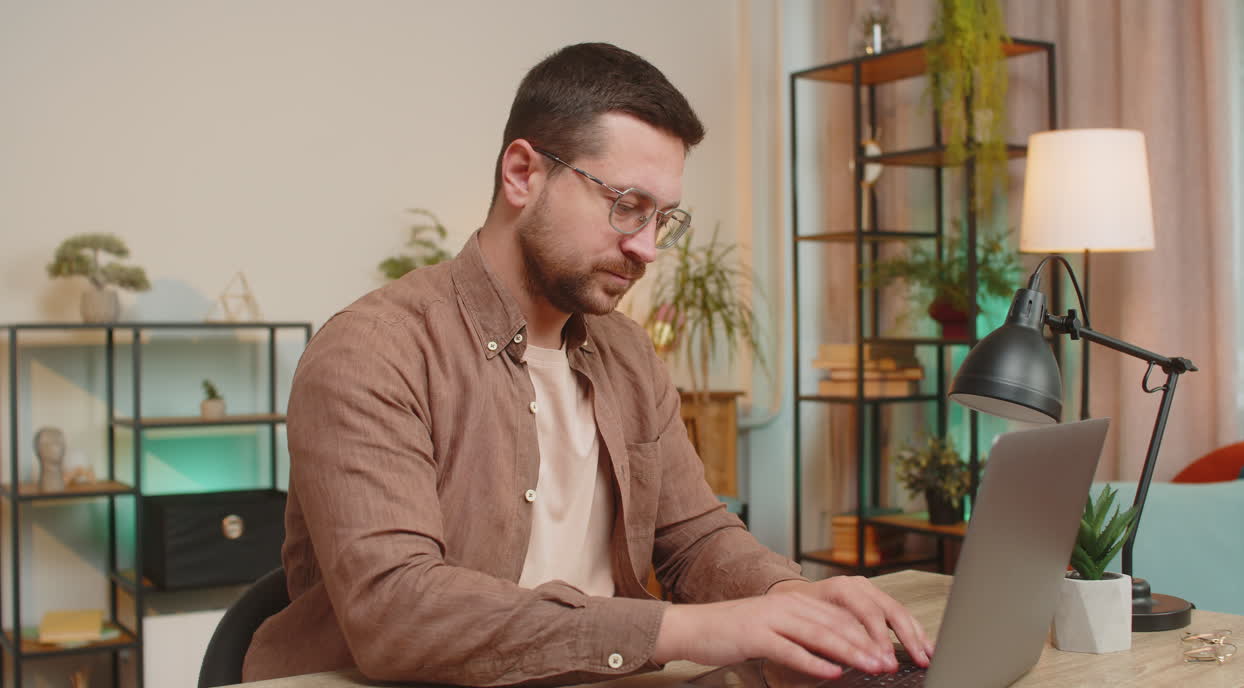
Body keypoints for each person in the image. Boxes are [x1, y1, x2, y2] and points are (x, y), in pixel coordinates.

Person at [243, 42, 933, 686]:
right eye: (628, 207)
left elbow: (694, 538)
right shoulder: (373, 351)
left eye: (665, 219)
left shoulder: (629, 355)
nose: (648, 249)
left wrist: (792, 598)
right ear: (523, 174)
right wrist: (683, 629)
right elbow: (398, 609)